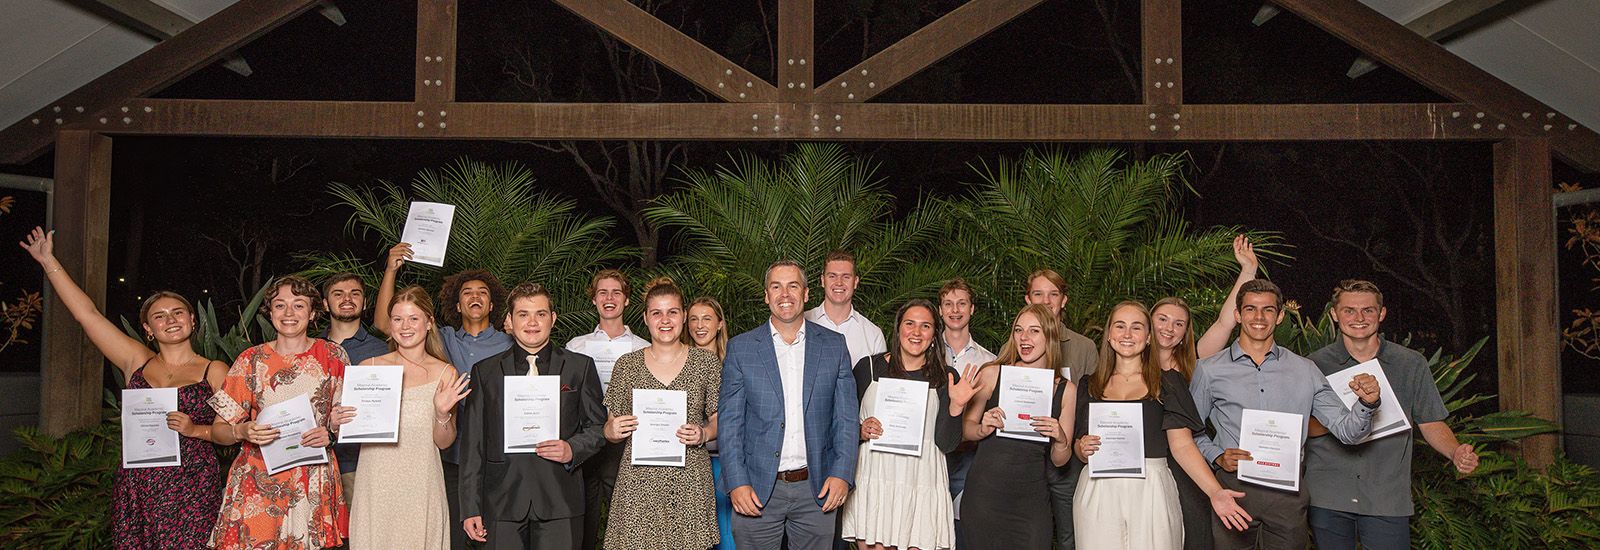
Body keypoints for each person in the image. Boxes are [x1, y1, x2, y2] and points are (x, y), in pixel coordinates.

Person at [21, 227, 228, 549]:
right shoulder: (136, 361)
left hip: (193, 482)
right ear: (147, 329)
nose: (170, 320)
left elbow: (232, 430)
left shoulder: (215, 371)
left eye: (177, 312)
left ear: (192, 319)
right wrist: (48, 262)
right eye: (159, 316)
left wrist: (195, 429)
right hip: (139, 479)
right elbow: (86, 315)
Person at [1189, 278, 1382, 550]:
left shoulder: (1306, 370)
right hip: (1233, 489)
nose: (1259, 317)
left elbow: (1348, 432)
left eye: (1268, 309)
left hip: (1287, 493)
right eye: (1250, 309)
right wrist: (1217, 456)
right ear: (1237, 314)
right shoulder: (1209, 370)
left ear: (1279, 316)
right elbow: (1189, 432)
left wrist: (1367, 404)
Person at [1304, 280, 1480, 550]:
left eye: (1368, 311)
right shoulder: (1313, 365)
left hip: (1386, 496)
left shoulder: (1410, 363)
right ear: (1334, 314)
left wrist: (1455, 452)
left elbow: (1430, 421)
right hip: (1329, 495)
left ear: (1382, 314)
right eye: (1349, 310)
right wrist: (1351, 414)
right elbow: (1302, 429)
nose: (1359, 318)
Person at [1070, 301, 1251, 549]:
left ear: (1147, 338)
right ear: (1109, 335)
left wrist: (1215, 492)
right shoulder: (1089, 386)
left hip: (1151, 488)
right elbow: (1079, 448)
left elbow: (1183, 446)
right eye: (1120, 326)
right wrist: (1083, 448)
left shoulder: (1168, 384)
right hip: (1098, 488)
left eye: (1136, 327)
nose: (1127, 334)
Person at [375, 242, 512, 550]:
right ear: (457, 305)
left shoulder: (509, 343)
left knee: (497, 537)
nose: (475, 296)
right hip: (451, 458)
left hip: (496, 457)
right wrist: (391, 270)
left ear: (492, 305)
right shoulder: (444, 338)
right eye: (467, 293)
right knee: (452, 536)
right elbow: (386, 323)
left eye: (482, 292)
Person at [720, 260, 859, 550]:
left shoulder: (834, 345)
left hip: (816, 489)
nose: (785, 294)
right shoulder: (741, 348)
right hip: (755, 490)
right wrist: (736, 482)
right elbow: (730, 423)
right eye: (776, 286)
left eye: (793, 286)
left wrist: (842, 474)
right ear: (766, 295)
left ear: (806, 294)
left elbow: (845, 419)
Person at [458, 282, 607, 550]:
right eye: (523, 314)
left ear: (553, 319)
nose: (532, 322)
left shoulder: (579, 367)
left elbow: (598, 427)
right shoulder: (485, 372)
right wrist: (470, 507)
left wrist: (572, 448)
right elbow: (473, 444)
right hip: (500, 504)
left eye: (540, 314)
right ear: (509, 321)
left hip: (560, 501)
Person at [207, 275, 349, 549]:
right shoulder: (250, 359)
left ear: (313, 312)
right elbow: (218, 431)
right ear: (270, 311)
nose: (289, 313)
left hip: (312, 477)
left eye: (298, 305)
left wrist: (330, 434)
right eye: (280, 305)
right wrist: (241, 430)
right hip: (258, 479)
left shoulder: (334, 356)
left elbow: (347, 420)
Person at [337, 285, 472, 549]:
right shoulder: (369, 368)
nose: (405, 326)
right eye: (397, 319)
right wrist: (338, 420)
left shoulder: (445, 373)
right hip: (375, 484)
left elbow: (445, 443)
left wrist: (442, 413)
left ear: (429, 323)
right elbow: (351, 428)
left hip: (421, 485)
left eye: (414, 318)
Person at [841, 298, 980, 550]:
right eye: (910, 324)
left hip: (922, 480)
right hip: (877, 478)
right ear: (898, 328)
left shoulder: (947, 377)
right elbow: (840, 425)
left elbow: (946, 443)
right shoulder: (868, 368)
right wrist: (860, 431)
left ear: (934, 335)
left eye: (925, 326)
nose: (916, 332)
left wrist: (956, 407)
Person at [1150, 233, 1258, 548]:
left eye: (1179, 323)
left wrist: (1247, 273)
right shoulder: (1126, 368)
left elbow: (1226, 323)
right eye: (1162, 319)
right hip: (1146, 468)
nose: (1169, 327)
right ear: (1148, 322)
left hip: (1187, 468)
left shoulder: (1193, 366)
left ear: (1186, 332)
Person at [601, 278, 724, 549]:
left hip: (689, 480)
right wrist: (612, 430)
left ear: (683, 317)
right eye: (657, 312)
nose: (665, 320)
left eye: (672, 312)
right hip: (638, 483)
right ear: (645, 318)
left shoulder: (706, 363)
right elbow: (609, 428)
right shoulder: (627, 365)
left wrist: (704, 432)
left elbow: (718, 420)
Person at [958, 304, 1077, 550]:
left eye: (1034, 331)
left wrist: (1061, 439)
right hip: (985, 496)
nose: (1024, 338)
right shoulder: (992, 373)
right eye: (1019, 330)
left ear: (1050, 336)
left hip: (1031, 502)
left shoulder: (1066, 389)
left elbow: (1060, 461)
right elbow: (966, 429)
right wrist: (982, 428)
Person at [565, 268, 650, 550]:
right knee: (583, 520)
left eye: (616, 292)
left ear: (626, 300)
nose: (609, 298)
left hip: (627, 445)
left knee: (628, 521)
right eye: (602, 292)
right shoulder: (575, 346)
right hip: (587, 441)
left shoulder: (645, 348)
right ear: (594, 300)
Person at [1022, 268, 1095, 550]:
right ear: (1028, 299)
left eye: (1053, 294)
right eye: (1038, 294)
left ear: (1064, 300)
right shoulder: (1017, 343)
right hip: (1026, 458)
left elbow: (1093, 404)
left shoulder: (1084, 347)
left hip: (1068, 462)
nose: (1046, 300)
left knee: (1069, 536)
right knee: (1029, 534)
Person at [321, 272, 391, 505]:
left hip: (364, 467)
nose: (347, 299)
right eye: (338, 294)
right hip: (316, 466)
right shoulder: (311, 350)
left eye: (355, 293)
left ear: (365, 301)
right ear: (324, 303)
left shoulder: (384, 351)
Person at [934, 278, 994, 542]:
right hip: (930, 453)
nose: (955, 310)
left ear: (972, 309)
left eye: (962, 303)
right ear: (940, 310)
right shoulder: (925, 354)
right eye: (948, 304)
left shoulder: (989, 362)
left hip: (968, 458)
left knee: (962, 530)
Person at [690, 296, 738, 550]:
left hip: (724, 460)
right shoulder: (677, 363)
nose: (700, 325)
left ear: (720, 324)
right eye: (694, 319)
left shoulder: (735, 361)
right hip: (690, 462)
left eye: (707, 318)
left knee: (725, 532)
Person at [805, 250, 888, 365]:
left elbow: (878, 382)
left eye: (846, 277)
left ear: (855, 282)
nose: (839, 283)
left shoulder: (873, 335)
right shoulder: (802, 323)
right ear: (823, 281)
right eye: (832, 276)